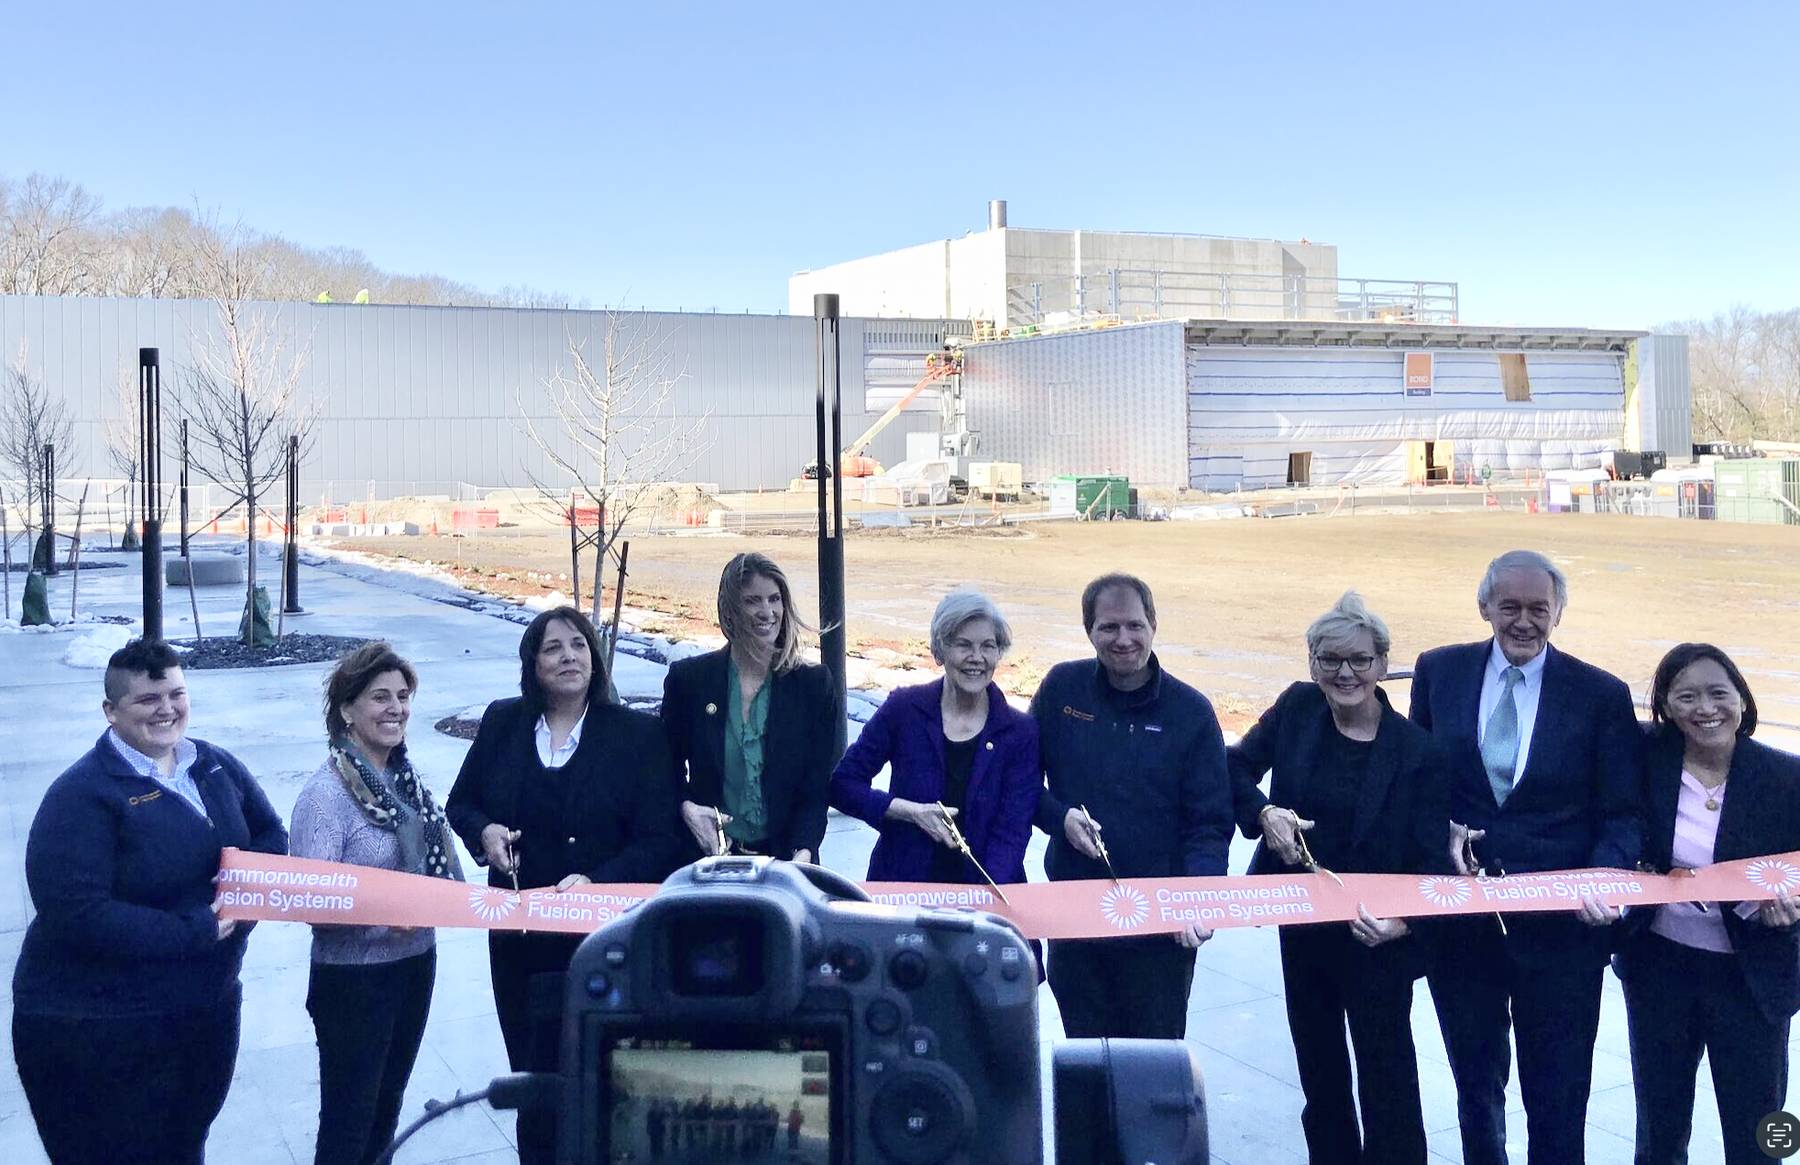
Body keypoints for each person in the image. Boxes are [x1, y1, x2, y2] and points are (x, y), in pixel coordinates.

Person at [11, 638, 287, 1165]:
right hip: (96, 1028)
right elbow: (76, 914)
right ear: (110, 711)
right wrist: (194, 929)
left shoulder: (213, 765)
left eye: (176, 694)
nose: (166, 709)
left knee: (183, 1145)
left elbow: (270, 833)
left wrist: (245, 883)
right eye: (147, 699)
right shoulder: (81, 795)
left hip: (203, 1009)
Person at [1407, 549, 1642, 1165]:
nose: (1523, 621)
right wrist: (1438, 832)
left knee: (1559, 1097)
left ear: (1558, 612)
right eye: (1509, 606)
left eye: (1539, 608)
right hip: (1464, 931)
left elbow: (1624, 813)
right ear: (1483, 606)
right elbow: (1417, 785)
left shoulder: (1601, 694)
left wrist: (1605, 880)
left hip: (1562, 937)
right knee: (1475, 1090)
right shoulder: (1437, 671)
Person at [446, 606, 686, 1165]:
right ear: (532, 663)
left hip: (602, 941)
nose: (569, 657)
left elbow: (661, 840)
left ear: (595, 659)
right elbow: (462, 802)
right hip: (519, 941)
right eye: (553, 648)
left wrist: (598, 882)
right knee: (533, 1079)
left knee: (600, 1079)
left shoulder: (637, 735)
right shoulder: (503, 723)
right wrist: (485, 832)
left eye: (578, 645)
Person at [1229, 592, 1451, 1165]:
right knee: (1321, 1075)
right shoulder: (1297, 708)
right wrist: (1263, 812)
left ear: (1382, 665)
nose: (1344, 672)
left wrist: (1405, 924)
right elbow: (1232, 766)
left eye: (1359, 659)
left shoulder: (1418, 751)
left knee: (1388, 1078)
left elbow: (1433, 861)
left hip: (1377, 937)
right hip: (1305, 928)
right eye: (1330, 659)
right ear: (1312, 664)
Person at [1613, 644, 1800, 1165]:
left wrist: (1791, 912)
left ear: (1742, 700)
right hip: (1659, 969)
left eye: (1719, 693)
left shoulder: (1786, 778)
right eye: (1687, 696)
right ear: (1666, 706)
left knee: (1761, 1129)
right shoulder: (1645, 761)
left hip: (1752, 975)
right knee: (1660, 1126)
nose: (1706, 708)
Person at [1031, 572, 1235, 1038]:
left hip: (1160, 930)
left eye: (1134, 625)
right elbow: (1020, 784)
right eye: (1108, 627)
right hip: (1076, 919)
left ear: (1153, 626)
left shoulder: (1192, 712)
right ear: (1089, 631)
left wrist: (1199, 897)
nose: (1123, 639)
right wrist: (1059, 818)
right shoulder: (1062, 689)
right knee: (1085, 1059)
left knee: (1153, 1063)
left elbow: (1209, 824)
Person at [290, 642, 464, 1165]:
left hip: (414, 965)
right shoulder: (325, 795)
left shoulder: (406, 784)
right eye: (380, 697)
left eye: (403, 696)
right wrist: (390, 910)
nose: (396, 708)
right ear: (347, 710)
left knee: (386, 1114)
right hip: (354, 981)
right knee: (348, 1124)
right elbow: (312, 901)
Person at [831, 589, 1040, 888]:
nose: (977, 658)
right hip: (903, 889)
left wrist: (982, 899)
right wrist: (909, 812)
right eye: (963, 645)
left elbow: (1012, 832)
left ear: (999, 653)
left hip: (988, 892)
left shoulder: (1021, 731)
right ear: (939, 651)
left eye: (988, 646)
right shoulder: (904, 708)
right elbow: (842, 785)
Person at [662, 553, 840, 862]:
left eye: (774, 599)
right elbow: (664, 768)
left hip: (788, 862)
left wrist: (803, 853)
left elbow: (816, 788)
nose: (767, 612)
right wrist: (686, 808)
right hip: (707, 859)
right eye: (752, 601)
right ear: (729, 609)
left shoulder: (813, 685)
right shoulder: (689, 680)